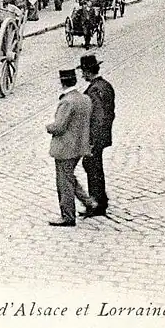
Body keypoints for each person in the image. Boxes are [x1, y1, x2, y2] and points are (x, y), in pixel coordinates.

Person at [45, 68, 98, 227]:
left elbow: (59, 127)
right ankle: (89, 202)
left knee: (64, 182)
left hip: (65, 149)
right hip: (80, 147)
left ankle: (68, 216)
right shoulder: (85, 99)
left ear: (62, 82)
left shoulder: (67, 101)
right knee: (69, 177)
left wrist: (48, 127)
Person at [79, 54, 115, 217]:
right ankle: (101, 200)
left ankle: (97, 204)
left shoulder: (94, 90)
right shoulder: (106, 85)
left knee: (92, 166)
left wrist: (91, 140)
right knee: (94, 166)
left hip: (95, 136)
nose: (82, 76)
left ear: (88, 72)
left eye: (83, 72)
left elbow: (98, 117)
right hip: (103, 134)